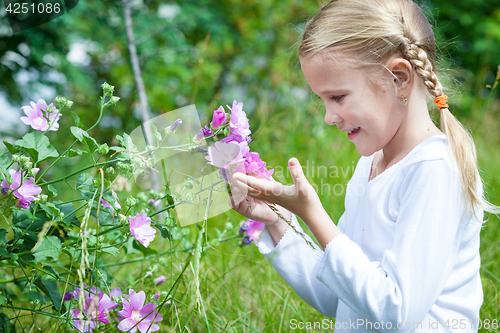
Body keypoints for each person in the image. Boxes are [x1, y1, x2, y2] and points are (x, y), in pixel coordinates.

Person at [229, 0, 499, 331]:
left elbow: (398, 312)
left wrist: (313, 213)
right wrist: (278, 219)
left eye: (338, 97)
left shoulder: (435, 169)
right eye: (322, 100)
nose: (329, 117)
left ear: (399, 78)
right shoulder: (370, 164)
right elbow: (339, 295)